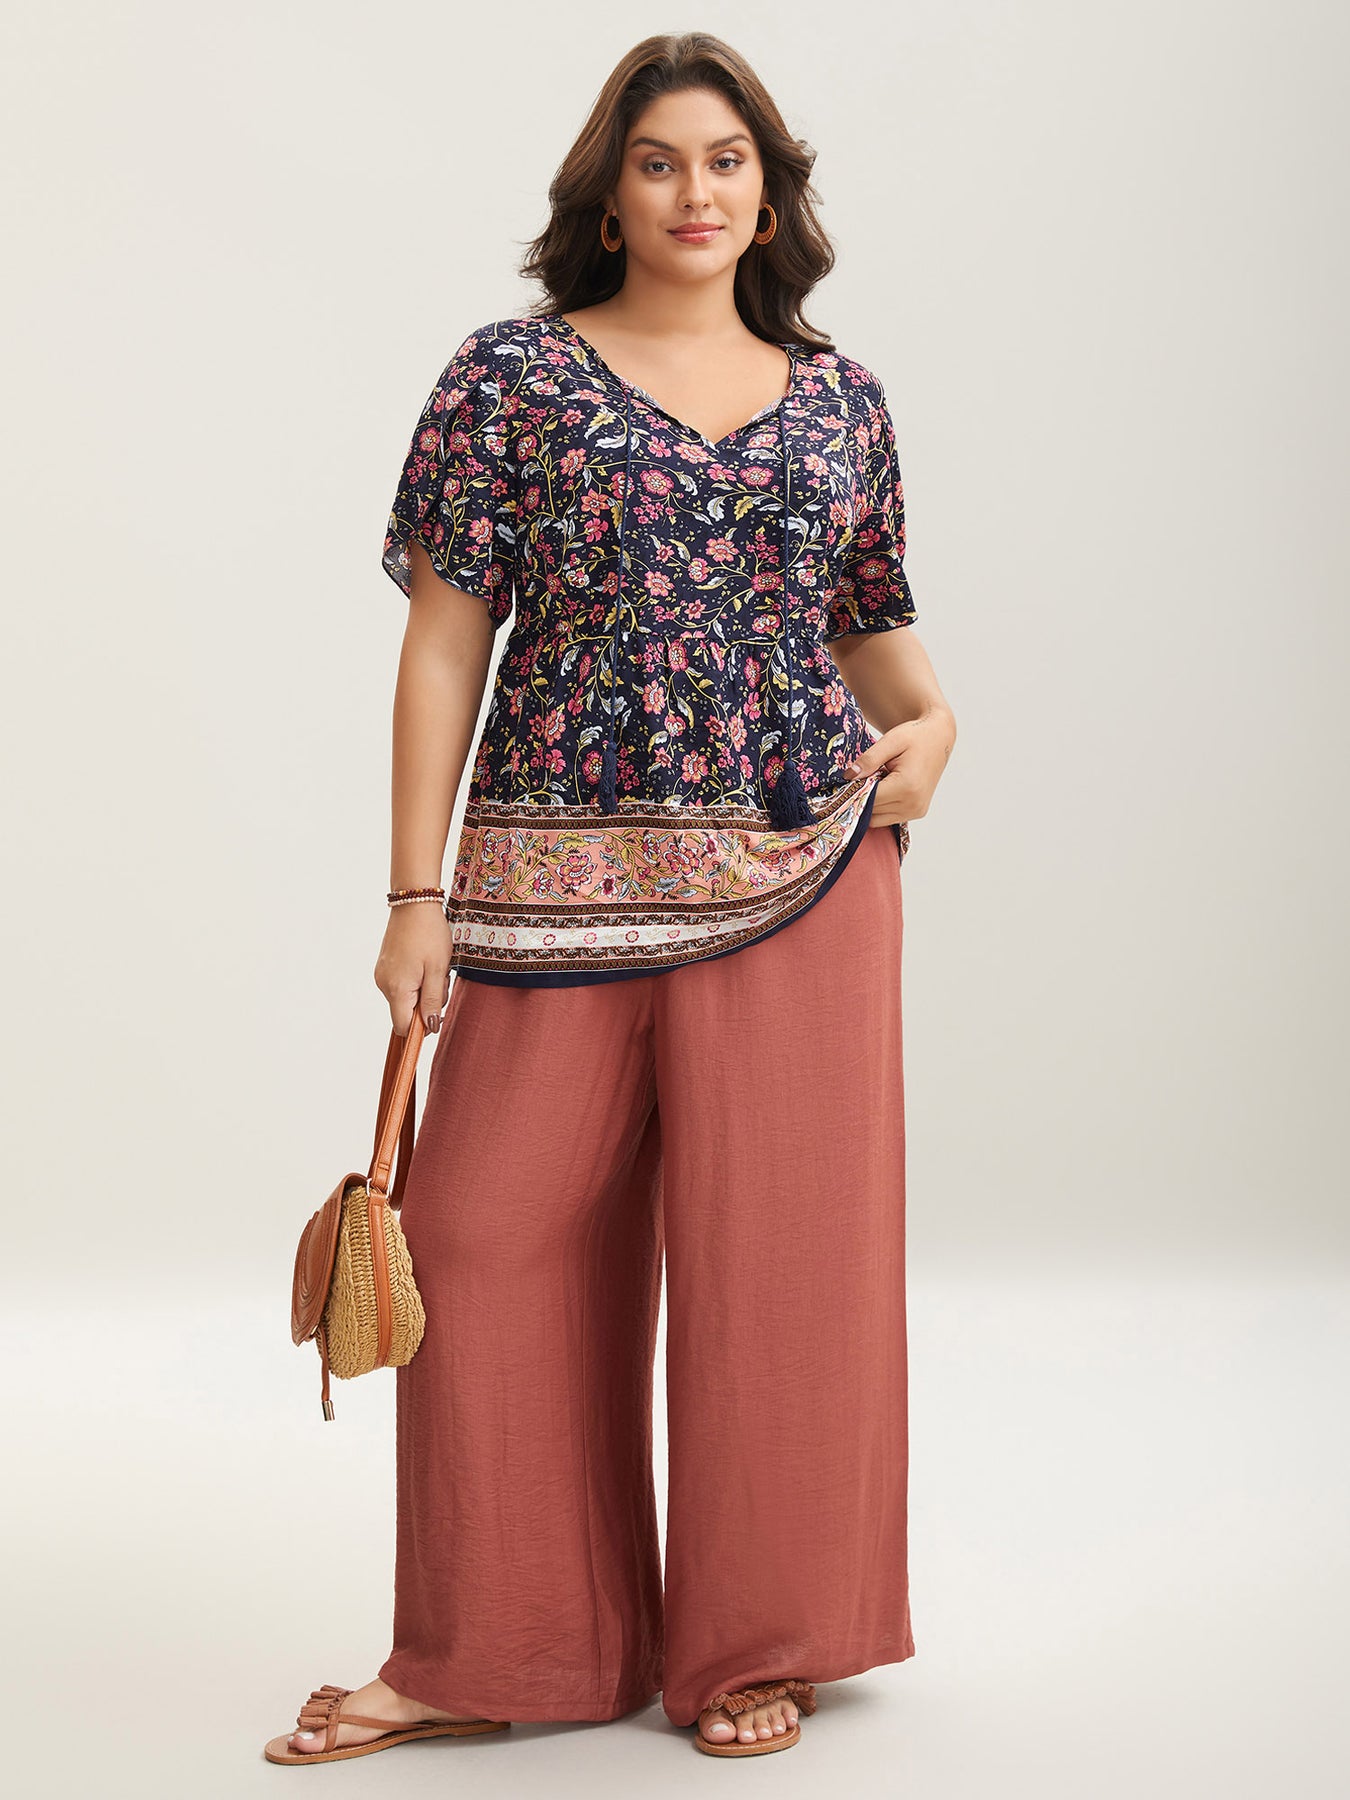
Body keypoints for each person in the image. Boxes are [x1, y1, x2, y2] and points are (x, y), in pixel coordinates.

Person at [264, 29, 955, 1768]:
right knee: (484, 1243)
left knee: (780, 1270)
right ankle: (494, 1646)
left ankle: (754, 1642)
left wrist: (937, 728)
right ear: (608, 193)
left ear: (768, 194)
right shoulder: (509, 379)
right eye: (659, 163)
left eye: (726, 161)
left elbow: (874, 634)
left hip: (802, 873)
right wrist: (413, 892)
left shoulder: (843, 401)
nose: (693, 192)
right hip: (547, 882)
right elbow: (443, 645)